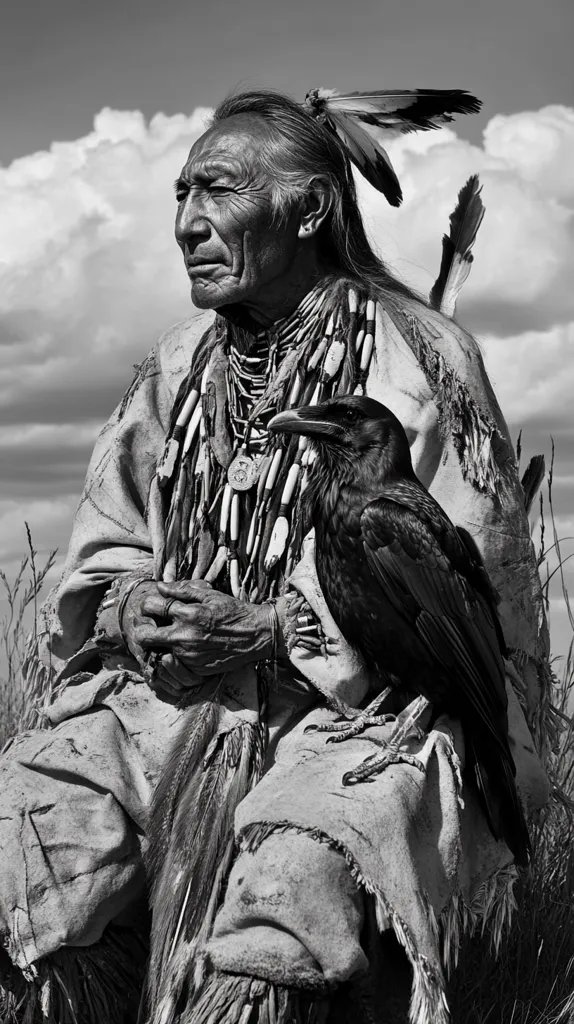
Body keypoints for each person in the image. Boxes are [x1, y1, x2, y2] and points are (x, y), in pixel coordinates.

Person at [0, 89, 550, 1024]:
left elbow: (487, 608)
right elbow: (106, 545)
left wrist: (271, 628)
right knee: (24, 845)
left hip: (366, 717)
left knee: (286, 915)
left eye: (214, 190)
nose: (185, 223)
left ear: (308, 208)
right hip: (164, 702)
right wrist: (136, 606)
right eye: (179, 196)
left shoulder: (422, 360)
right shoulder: (177, 366)